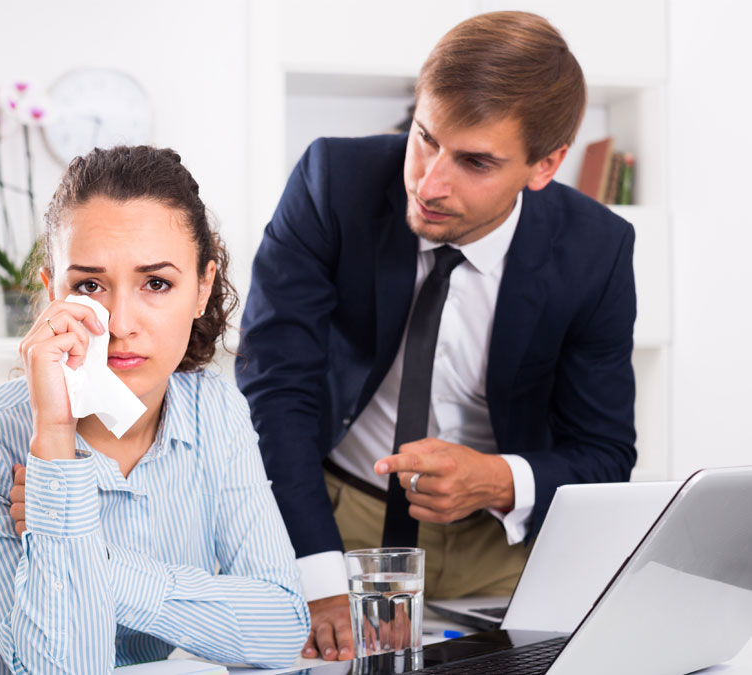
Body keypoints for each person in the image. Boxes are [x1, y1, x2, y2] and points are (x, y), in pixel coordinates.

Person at [236, 10, 636, 661]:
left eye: (476, 161)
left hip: (501, 542)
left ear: (546, 165)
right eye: (426, 138)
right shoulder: (331, 181)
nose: (429, 183)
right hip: (336, 514)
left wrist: (498, 480)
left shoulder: (597, 250)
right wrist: (319, 578)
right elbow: (275, 391)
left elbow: (605, 452)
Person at [0, 145, 310, 674]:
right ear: (50, 291)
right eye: (89, 285)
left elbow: (281, 629)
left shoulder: (214, 409)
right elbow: (61, 669)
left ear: (202, 289)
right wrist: (55, 438)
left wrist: (94, 559)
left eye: (157, 283)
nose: (122, 322)